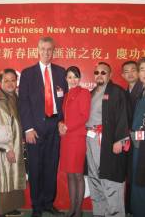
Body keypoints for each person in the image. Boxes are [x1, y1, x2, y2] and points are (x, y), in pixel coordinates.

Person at [19, 36, 67, 217]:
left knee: (51, 166)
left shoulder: (61, 72)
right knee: (36, 168)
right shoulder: (28, 73)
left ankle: (48, 203)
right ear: (37, 50)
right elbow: (23, 103)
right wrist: (28, 128)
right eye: (43, 49)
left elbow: (66, 101)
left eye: (50, 49)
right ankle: (36, 207)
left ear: (53, 51)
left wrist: (62, 121)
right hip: (35, 129)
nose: (47, 53)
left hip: (54, 127)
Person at [86, 62, 129, 217]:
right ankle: (99, 213)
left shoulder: (117, 92)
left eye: (103, 72)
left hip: (108, 140)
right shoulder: (91, 93)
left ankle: (115, 214)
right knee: (94, 177)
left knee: (110, 179)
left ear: (110, 75)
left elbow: (123, 116)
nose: (99, 75)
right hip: (90, 140)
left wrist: (120, 139)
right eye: (96, 72)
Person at [0, 68, 26, 217]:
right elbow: (2, 129)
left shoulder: (13, 97)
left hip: (15, 145)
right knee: (4, 177)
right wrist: (8, 149)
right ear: (0, 82)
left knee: (13, 176)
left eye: (13, 80)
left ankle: (10, 208)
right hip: (6, 148)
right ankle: (1, 211)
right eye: (6, 80)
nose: (10, 83)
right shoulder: (1, 101)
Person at [58, 66, 91, 217]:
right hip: (66, 139)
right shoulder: (66, 95)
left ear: (80, 78)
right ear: (66, 79)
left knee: (78, 175)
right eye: (70, 77)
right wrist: (61, 124)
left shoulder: (84, 93)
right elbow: (64, 117)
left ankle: (78, 210)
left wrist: (67, 127)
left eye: (76, 76)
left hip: (77, 138)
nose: (73, 80)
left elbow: (84, 116)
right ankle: (72, 207)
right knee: (70, 174)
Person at [121, 60, 143, 215]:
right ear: (122, 75)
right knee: (131, 174)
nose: (131, 73)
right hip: (130, 140)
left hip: (139, 141)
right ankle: (130, 207)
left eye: (134, 70)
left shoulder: (141, 90)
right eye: (126, 71)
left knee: (139, 176)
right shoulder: (124, 92)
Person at [130, 57, 145, 217]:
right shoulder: (141, 91)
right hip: (138, 145)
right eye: (142, 69)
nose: (144, 73)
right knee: (137, 180)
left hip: (142, 144)